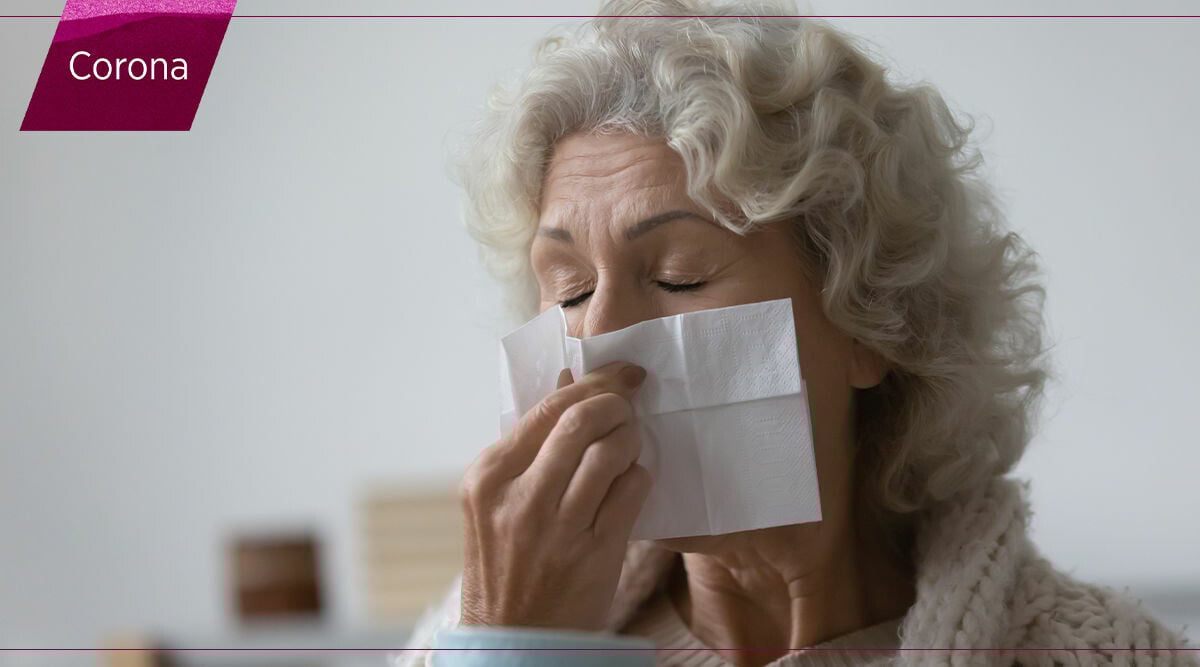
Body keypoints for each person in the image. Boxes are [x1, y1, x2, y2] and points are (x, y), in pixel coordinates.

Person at [396, 1, 1196, 665]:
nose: (598, 334)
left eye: (679, 274)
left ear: (870, 323)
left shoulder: (1102, 655)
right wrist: (511, 645)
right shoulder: (463, 642)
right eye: (568, 290)